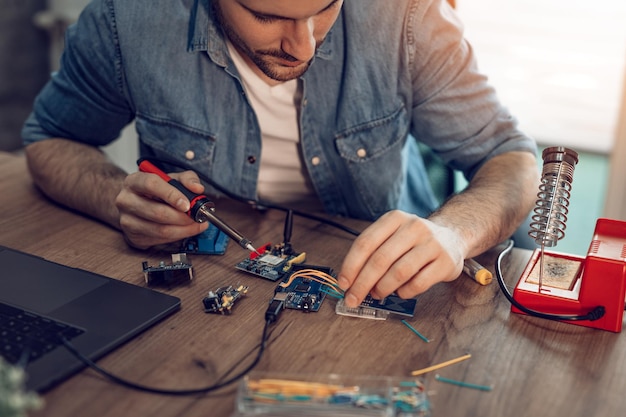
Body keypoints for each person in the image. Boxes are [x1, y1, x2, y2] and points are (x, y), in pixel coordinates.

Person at [21, 0, 539, 309]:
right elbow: (49, 138)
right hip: (207, 291)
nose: (304, 46)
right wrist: (115, 196)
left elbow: (511, 156)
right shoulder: (127, 19)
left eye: (325, 9)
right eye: (268, 15)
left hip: (366, 288)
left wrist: (455, 231)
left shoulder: (405, 15)